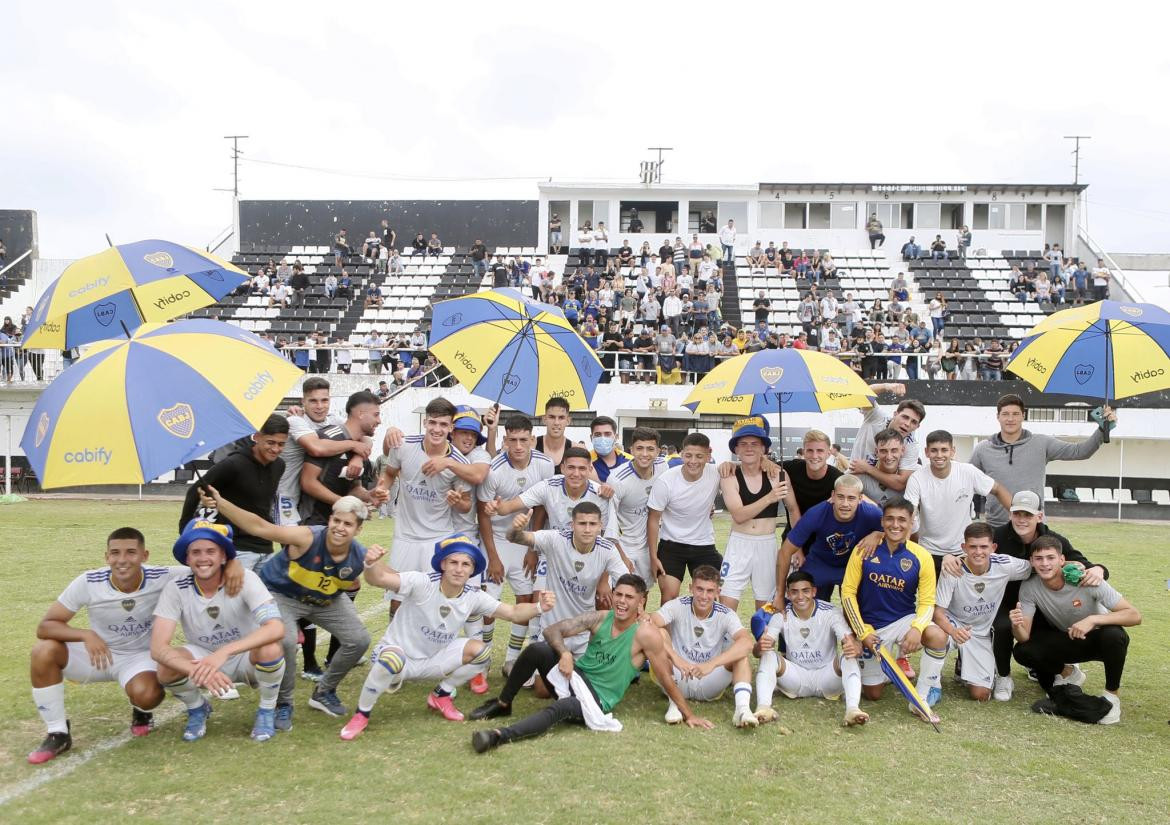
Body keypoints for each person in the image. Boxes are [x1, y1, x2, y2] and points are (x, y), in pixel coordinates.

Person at [25, 527, 240, 764]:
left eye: (131, 552)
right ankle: (58, 733)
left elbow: (206, 566)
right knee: (43, 651)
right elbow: (45, 626)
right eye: (115, 553)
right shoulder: (88, 581)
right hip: (99, 655)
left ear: (144, 555)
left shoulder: (163, 576)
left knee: (147, 695)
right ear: (106, 557)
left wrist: (233, 564)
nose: (122, 560)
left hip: (140, 658)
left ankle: (142, 711)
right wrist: (85, 634)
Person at [468, 575, 715, 752]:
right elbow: (553, 630)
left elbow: (665, 678)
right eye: (618, 594)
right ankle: (503, 703)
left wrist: (689, 714)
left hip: (596, 700)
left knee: (562, 707)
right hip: (575, 677)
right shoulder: (601, 617)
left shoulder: (645, 634)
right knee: (537, 650)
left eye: (629, 597)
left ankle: (499, 736)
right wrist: (564, 653)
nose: (621, 601)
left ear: (641, 602)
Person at [340, 535, 556, 736]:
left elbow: (512, 612)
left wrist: (539, 607)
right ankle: (362, 714)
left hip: (433, 660)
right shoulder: (422, 582)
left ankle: (441, 694)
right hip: (398, 658)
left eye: (466, 564)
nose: (459, 569)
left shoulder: (473, 595)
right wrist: (370, 563)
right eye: (453, 562)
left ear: (472, 570)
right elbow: (378, 579)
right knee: (392, 659)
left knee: (481, 652)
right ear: (442, 563)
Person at [205, 489, 381, 727]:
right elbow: (261, 527)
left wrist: (372, 564)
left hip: (324, 600)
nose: (339, 527)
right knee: (285, 640)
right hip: (281, 594)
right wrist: (221, 503)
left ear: (358, 529)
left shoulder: (360, 554)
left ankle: (324, 691)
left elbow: (382, 577)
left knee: (359, 639)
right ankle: (283, 702)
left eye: (347, 524)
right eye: (336, 520)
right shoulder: (307, 537)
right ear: (329, 519)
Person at [151, 520, 286, 742]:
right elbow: (157, 648)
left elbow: (276, 627)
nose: (203, 558)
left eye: (211, 551)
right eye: (195, 552)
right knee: (166, 665)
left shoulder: (246, 579)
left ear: (224, 556)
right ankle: (197, 708)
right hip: (204, 656)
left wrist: (223, 653)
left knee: (270, 648)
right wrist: (198, 669)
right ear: (187, 558)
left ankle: (266, 710)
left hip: (244, 655)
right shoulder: (176, 588)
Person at [976, 490, 1110, 700]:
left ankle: (1059, 669)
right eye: (1017, 514)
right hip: (1005, 600)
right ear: (1010, 514)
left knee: (1037, 651)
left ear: (1039, 516)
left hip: (1039, 604)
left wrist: (1099, 569)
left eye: (1028, 515)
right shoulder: (998, 536)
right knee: (1002, 626)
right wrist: (951, 558)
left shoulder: (1054, 539)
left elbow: (1084, 564)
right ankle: (1003, 676)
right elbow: (975, 551)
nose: (1022, 520)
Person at [1011, 536, 1141, 724]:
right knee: (1023, 651)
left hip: (1100, 640)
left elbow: (1134, 615)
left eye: (1050, 558)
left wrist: (1093, 619)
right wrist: (1016, 625)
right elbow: (1024, 637)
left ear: (1062, 560)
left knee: (1115, 635)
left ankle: (1112, 697)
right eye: (1039, 559)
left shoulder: (1085, 579)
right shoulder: (1029, 587)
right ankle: (1068, 673)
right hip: (1069, 639)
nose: (1045, 564)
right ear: (1031, 562)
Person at [840, 498, 947, 719]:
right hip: (871, 627)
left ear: (912, 522)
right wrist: (863, 632)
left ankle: (921, 698)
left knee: (936, 636)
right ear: (882, 521)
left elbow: (927, 602)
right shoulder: (864, 549)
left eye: (902, 520)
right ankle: (887, 666)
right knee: (873, 694)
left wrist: (917, 628)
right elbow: (848, 594)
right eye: (890, 519)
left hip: (901, 621)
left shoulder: (921, 556)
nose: (895, 525)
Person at [477, 415, 556, 676]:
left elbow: (543, 506)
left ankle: (511, 660)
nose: (519, 446)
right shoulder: (494, 468)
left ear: (533, 439)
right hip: (497, 541)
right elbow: (483, 515)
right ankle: (483, 657)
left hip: (525, 541)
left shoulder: (545, 465)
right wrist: (493, 557)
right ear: (505, 440)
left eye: (524, 439)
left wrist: (533, 547)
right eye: (513, 440)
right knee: (489, 603)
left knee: (525, 600)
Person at [923, 522, 1031, 703]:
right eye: (972, 546)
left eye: (984, 546)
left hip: (980, 632)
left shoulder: (1005, 564)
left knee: (981, 695)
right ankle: (931, 683)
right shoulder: (952, 569)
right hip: (953, 623)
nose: (978, 552)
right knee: (935, 635)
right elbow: (938, 613)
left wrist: (1073, 564)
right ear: (963, 547)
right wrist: (953, 631)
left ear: (993, 547)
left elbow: (1039, 566)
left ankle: (963, 664)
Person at [970, 393, 1114, 528]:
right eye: (1005, 414)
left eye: (1015, 414)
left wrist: (1102, 430)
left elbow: (1080, 451)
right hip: (996, 526)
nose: (1010, 419)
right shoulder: (983, 449)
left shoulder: (1041, 443)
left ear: (1023, 416)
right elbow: (966, 481)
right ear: (998, 417)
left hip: (1033, 526)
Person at [376, 397, 473, 593]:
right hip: (405, 535)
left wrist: (456, 502)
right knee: (397, 598)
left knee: (433, 597)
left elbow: (466, 505)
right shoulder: (403, 446)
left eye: (443, 424)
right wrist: (382, 489)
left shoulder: (458, 462)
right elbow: (389, 473)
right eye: (433, 422)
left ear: (451, 428)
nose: (437, 429)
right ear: (425, 422)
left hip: (438, 537)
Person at [649, 565, 759, 728]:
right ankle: (674, 705)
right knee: (659, 633)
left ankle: (742, 710)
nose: (704, 596)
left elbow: (747, 642)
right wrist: (676, 658)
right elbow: (650, 624)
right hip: (677, 675)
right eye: (699, 589)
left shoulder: (726, 614)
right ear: (691, 588)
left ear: (717, 593)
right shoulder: (678, 605)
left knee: (740, 656)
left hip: (708, 679)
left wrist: (711, 664)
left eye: (710, 591)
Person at [755, 570, 867, 727]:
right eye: (794, 592)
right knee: (768, 655)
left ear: (814, 591)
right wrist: (759, 647)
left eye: (805, 591)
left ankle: (853, 709)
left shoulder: (830, 612)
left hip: (827, 677)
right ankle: (763, 708)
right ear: (787, 594)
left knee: (848, 656)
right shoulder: (781, 615)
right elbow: (760, 649)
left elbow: (850, 642)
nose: (800, 597)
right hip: (796, 678)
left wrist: (854, 647)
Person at [177, 414, 289, 571]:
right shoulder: (233, 463)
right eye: (270, 442)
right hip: (236, 548)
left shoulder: (280, 465)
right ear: (257, 437)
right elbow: (194, 491)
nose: (276, 449)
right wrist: (184, 531)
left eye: (281, 444)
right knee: (233, 594)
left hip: (266, 547)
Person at [904, 430, 1012, 571]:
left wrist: (1017, 515)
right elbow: (908, 514)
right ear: (926, 452)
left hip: (963, 550)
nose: (939, 455)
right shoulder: (917, 478)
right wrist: (903, 548)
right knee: (931, 593)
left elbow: (997, 489)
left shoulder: (968, 471)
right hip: (929, 552)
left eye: (944, 450)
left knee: (964, 593)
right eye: (934, 450)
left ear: (952, 451)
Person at [717, 418, 791, 610]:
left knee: (766, 607)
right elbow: (739, 515)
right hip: (739, 542)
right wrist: (770, 497)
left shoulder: (778, 474)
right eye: (743, 444)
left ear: (764, 449)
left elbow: (793, 510)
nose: (749, 448)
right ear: (736, 450)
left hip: (766, 542)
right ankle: (730, 641)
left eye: (755, 444)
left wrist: (797, 546)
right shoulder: (730, 475)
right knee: (726, 602)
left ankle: (762, 642)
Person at [776, 474, 884, 603]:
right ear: (832, 496)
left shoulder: (872, 514)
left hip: (852, 564)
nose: (845, 504)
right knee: (805, 604)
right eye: (840, 497)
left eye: (851, 498)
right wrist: (780, 594)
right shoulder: (816, 514)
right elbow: (784, 552)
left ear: (860, 498)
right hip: (820, 563)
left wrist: (879, 534)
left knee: (860, 608)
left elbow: (898, 532)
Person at [648, 433, 722, 603]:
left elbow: (745, 467)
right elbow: (653, 519)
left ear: (708, 455)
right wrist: (653, 556)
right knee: (669, 596)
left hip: (704, 544)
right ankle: (666, 631)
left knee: (713, 596)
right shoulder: (666, 481)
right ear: (682, 454)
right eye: (688, 455)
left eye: (699, 456)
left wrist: (766, 461)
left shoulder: (717, 472)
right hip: (671, 545)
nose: (693, 461)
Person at [300, 391, 387, 527]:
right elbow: (307, 482)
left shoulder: (361, 448)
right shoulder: (330, 437)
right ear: (360, 414)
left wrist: (368, 495)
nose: (379, 421)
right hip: (312, 523)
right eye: (376, 414)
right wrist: (344, 504)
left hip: (337, 524)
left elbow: (353, 487)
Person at [607, 427, 670, 585]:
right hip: (624, 545)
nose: (645, 454)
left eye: (650, 449)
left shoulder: (663, 467)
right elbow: (609, 522)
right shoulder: (617, 480)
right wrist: (622, 556)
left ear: (658, 451)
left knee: (642, 594)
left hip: (648, 546)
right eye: (640, 448)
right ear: (632, 450)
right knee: (619, 595)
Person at [848, 383, 925, 495]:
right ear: (895, 414)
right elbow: (862, 394)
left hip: (883, 490)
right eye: (905, 417)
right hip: (855, 482)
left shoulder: (912, 446)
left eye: (914, 422)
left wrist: (867, 468)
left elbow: (900, 483)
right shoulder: (877, 417)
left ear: (917, 427)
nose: (907, 424)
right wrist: (886, 386)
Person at [780, 429, 843, 537]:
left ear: (828, 454)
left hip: (823, 542)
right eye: (810, 450)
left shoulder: (838, 478)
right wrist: (766, 462)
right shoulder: (791, 468)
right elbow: (766, 465)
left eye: (820, 451)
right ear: (803, 452)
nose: (814, 456)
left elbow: (860, 499)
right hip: (793, 536)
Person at [588, 415, 630, 482]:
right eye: (598, 435)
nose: (603, 438)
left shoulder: (630, 460)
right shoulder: (585, 461)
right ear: (591, 437)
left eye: (607, 434)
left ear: (616, 437)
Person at [534, 396, 570, 471]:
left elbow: (597, 482)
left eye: (561, 418)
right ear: (544, 419)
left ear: (568, 421)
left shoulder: (576, 448)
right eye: (552, 417)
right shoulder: (532, 446)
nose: (556, 422)